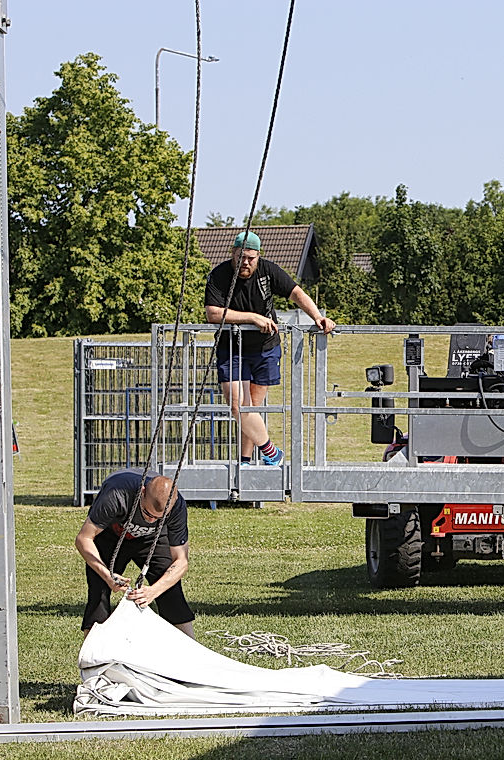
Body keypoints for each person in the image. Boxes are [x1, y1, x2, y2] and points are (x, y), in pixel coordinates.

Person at [204, 231, 336, 465]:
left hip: (264, 348)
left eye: (251, 258)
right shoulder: (219, 275)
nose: (245, 262)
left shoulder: (268, 271)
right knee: (237, 405)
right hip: (231, 347)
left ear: (258, 257)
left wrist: (318, 317)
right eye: (240, 257)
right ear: (232, 253)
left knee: (252, 408)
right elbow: (213, 314)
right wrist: (253, 318)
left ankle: (245, 460)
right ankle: (272, 451)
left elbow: (296, 293)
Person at [76, 470, 195, 638]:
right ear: (143, 492)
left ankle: (190, 650)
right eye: (147, 513)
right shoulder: (116, 493)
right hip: (110, 535)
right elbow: (84, 538)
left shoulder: (177, 506)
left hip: (153, 539)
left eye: (159, 518)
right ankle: (94, 657)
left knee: (170, 590)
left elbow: (181, 561)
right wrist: (107, 575)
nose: (151, 520)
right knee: (99, 591)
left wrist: (154, 591)